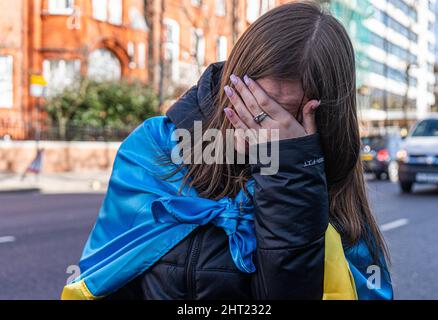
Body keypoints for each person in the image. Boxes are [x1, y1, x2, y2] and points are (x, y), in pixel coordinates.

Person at [62, 2, 393, 300]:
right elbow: (104, 281)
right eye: (252, 106)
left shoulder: (329, 187)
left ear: (324, 119)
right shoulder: (156, 146)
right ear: (229, 88)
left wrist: (291, 172)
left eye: (282, 117)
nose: (258, 130)